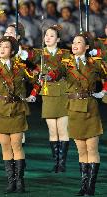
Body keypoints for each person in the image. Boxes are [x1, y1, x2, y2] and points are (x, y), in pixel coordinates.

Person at [47, 32, 107, 196]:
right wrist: (49, 76)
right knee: (81, 150)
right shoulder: (66, 64)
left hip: (90, 108)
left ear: (87, 47)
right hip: (73, 108)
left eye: (79, 42)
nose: (74, 45)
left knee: (92, 149)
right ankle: (83, 186)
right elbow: (57, 72)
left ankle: (91, 187)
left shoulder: (95, 63)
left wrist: (104, 92)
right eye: (73, 42)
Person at [0, 36, 37, 194]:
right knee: (5, 146)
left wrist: (33, 94)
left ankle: (20, 182)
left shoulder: (20, 68)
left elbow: (37, 80)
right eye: (0, 46)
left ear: (12, 51)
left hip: (17, 108)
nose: (2, 49)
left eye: (6, 47)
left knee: (17, 145)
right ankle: (11, 182)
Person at [26, 25, 71, 173]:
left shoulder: (64, 54)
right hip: (48, 94)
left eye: (52, 36)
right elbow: (38, 76)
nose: (47, 38)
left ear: (58, 39)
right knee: (53, 131)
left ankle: (62, 163)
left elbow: (63, 70)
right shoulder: (40, 54)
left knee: (62, 130)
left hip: (63, 93)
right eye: (46, 35)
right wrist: (33, 93)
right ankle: (56, 162)